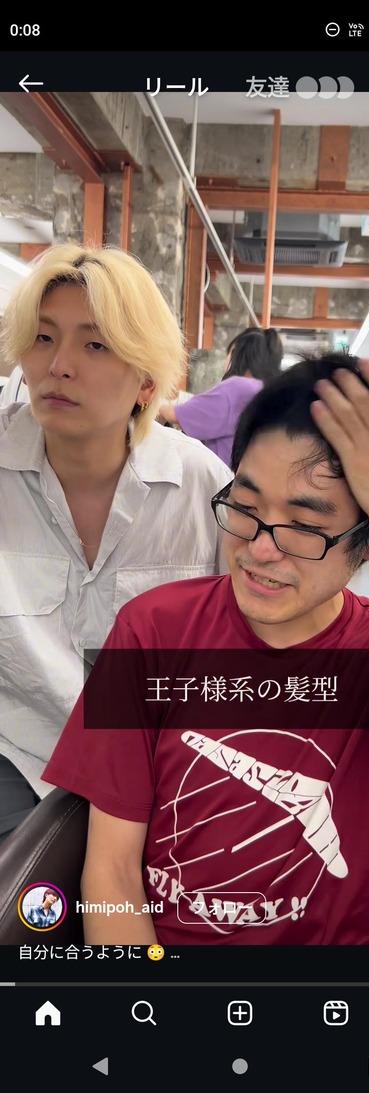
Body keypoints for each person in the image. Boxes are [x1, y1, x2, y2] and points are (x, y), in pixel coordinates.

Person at [43, 352, 369, 946]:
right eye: (245, 509)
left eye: (304, 527)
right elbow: (112, 874)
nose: (260, 549)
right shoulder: (153, 631)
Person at [0, 242, 232, 842]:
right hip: (17, 756)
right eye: (43, 338)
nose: (59, 366)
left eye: (95, 345)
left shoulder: (204, 487)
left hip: (161, 768)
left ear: (146, 382)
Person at [158, 326, 283, 466]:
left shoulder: (240, 388)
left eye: (230, 352)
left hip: (224, 476)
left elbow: (175, 415)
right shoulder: (268, 392)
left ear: (238, 354)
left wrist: (154, 408)